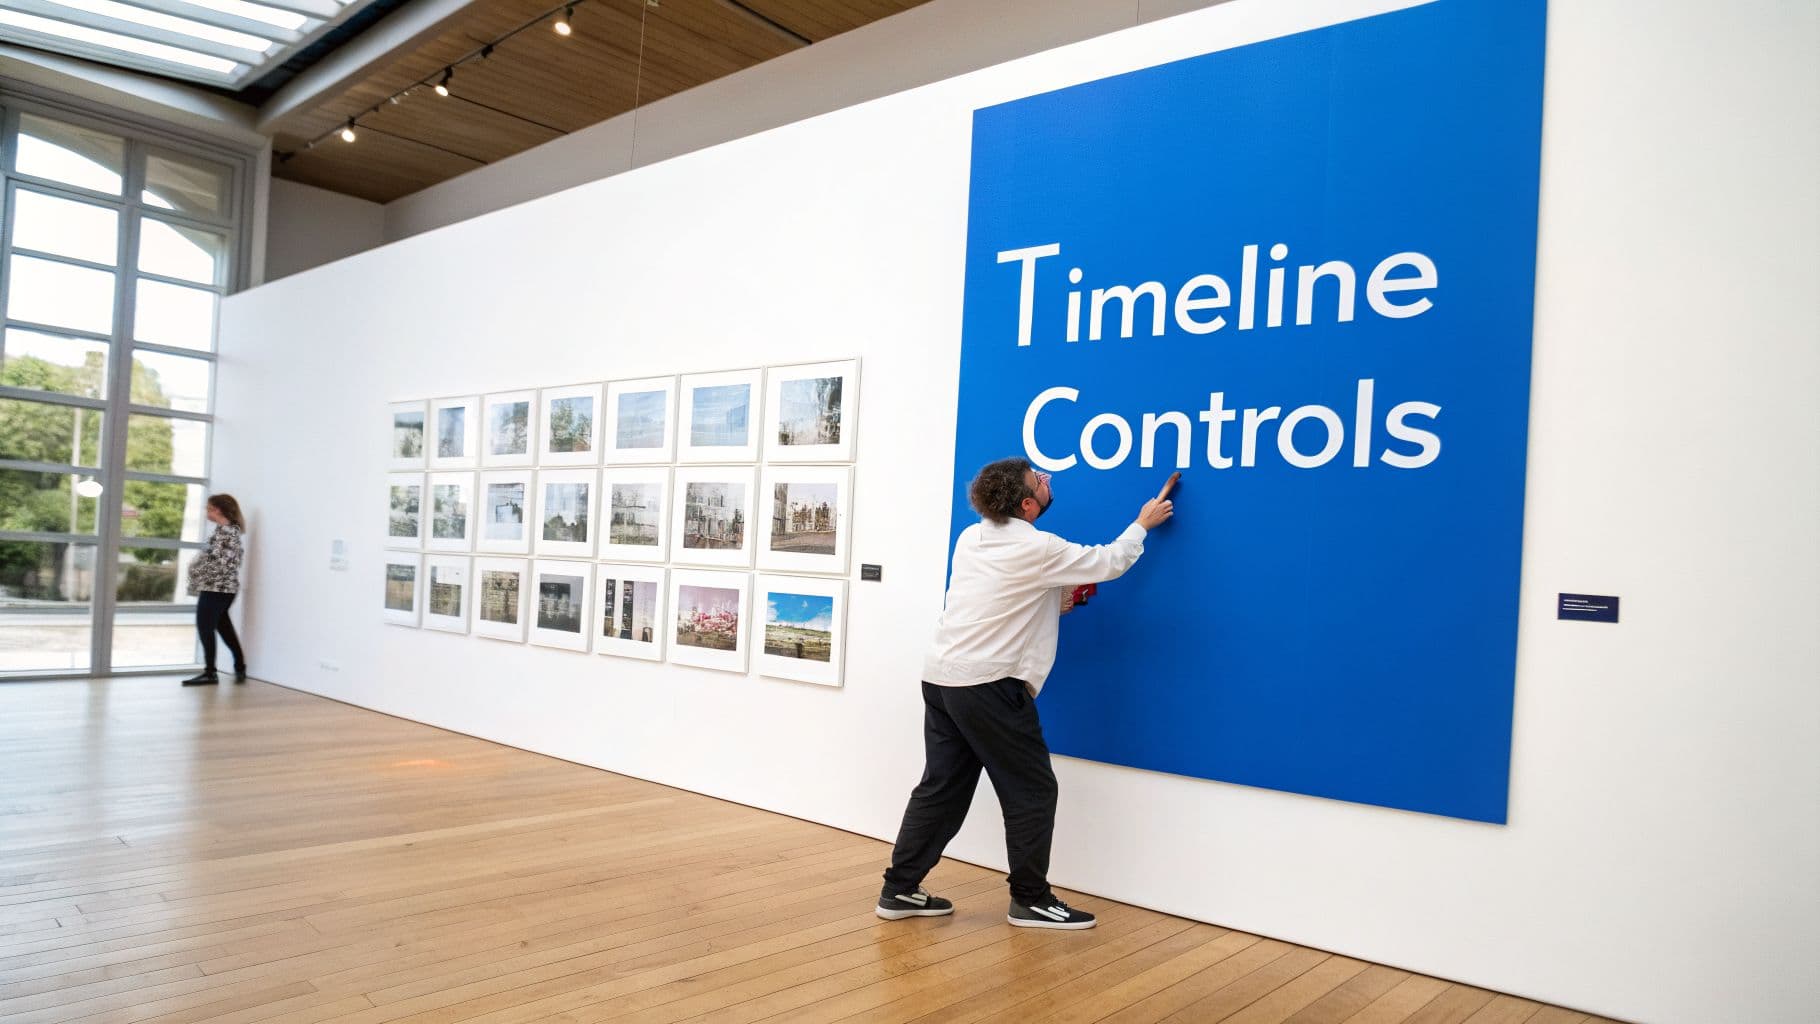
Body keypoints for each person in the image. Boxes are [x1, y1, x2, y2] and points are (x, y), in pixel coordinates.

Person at [877, 457, 1173, 929]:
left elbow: (1002, 595)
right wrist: (1142, 523)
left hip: (942, 678)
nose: (1048, 478)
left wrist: (1058, 597)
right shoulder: (1038, 548)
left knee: (942, 789)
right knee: (1032, 790)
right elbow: (1111, 560)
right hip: (989, 685)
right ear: (1028, 503)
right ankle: (1030, 899)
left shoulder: (971, 538)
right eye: (1040, 479)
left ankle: (900, 889)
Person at [182, 494, 248, 686]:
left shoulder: (226, 533)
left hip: (216, 589)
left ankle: (210, 672)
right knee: (223, 627)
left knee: (205, 627)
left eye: (208, 508)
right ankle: (239, 666)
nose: (206, 511)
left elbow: (220, 564)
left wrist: (196, 570)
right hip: (221, 589)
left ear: (217, 510)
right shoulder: (226, 532)